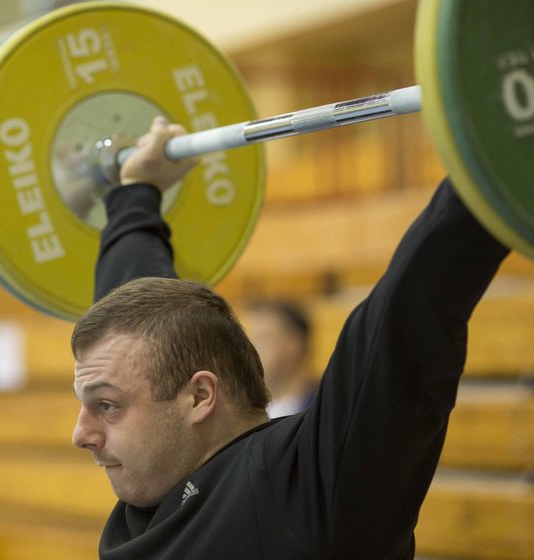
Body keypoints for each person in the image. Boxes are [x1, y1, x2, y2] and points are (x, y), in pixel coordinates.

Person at [70, 116, 510, 559]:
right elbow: (137, 318)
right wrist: (136, 192)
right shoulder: (155, 481)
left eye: (107, 405)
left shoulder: (302, 492)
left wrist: (502, 140)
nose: (81, 434)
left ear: (200, 396)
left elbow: (411, 313)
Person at [244, 299, 318, 418]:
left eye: (263, 339)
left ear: (294, 345)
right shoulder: (245, 412)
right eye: (251, 341)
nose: (253, 351)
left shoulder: (324, 407)